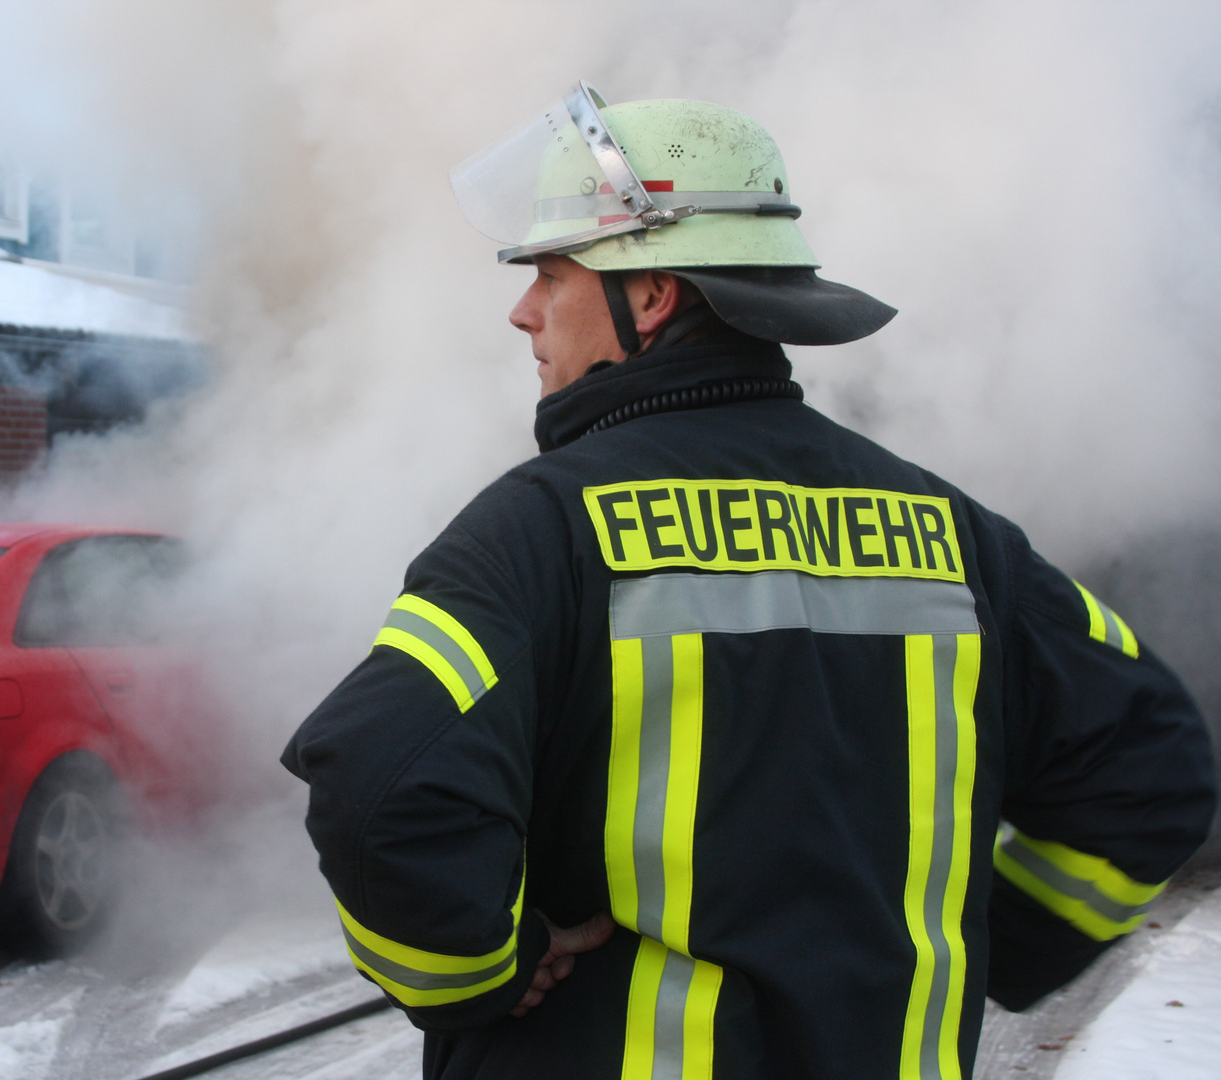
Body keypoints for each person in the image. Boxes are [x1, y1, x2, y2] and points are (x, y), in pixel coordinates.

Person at [280, 83, 1215, 1080]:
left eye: (552, 273)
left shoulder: (540, 531)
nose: (523, 312)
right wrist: (988, 941)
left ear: (650, 295)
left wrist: (483, 977)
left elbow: (376, 789)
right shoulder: (957, 536)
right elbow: (1151, 769)